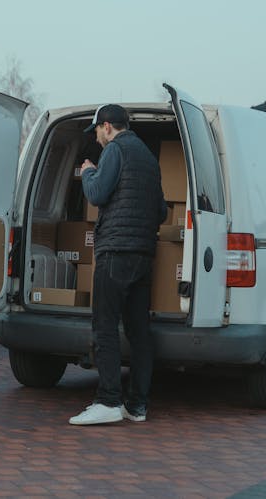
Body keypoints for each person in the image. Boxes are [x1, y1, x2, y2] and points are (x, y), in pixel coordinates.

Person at [69, 104, 167, 426]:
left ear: (108, 127)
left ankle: (108, 401)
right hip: (143, 254)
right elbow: (162, 211)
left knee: (105, 327)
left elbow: (96, 194)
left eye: (97, 131)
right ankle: (137, 406)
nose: (97, 137)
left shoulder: (115, 150)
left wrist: (88, 172)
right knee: (139, 332)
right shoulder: (149, 158)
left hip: (115, 252)